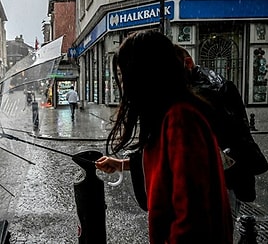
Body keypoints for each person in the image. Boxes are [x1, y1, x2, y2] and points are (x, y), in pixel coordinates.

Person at [95, 30, 233, 243]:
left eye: (124, 75)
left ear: (145, 74)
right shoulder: (169, 116)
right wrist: (122, 164)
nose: (122, 84)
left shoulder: (180, 120)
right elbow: (166, 164)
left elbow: (191, 218)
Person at [174, 45, 268, 216]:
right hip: (221, 172)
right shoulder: (207, 84)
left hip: (221, 176)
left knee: (220, 224)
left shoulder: (204, 90)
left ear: (187, 63)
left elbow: (233, 136)